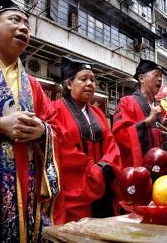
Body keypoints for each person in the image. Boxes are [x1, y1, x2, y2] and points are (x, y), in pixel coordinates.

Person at [0, 0, 60, 242]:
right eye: (15, 19)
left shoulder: (33, 85)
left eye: (27, 24)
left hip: (26, 201)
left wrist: (43, 131)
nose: (24, 28)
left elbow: (56, 127)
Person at [51, 56, 122, 222]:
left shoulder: (97, 113)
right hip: (76, 191)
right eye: (83, 79)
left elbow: (111, 145)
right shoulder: (55, 110)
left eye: (92, 79)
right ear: (69, 84)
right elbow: (64, 149)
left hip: (105, 186)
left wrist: (106, 167)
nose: (90, 83)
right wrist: (95, 172)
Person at [112, 59, 167, 168]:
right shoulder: (126, 102)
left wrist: (165, 128)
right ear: (141, 78)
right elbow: (119, 136)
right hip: (137, 169)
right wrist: (147, 122)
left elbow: (163, 139)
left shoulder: (160, 107)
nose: (160, 79)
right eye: (156, 75)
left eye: (161, 76)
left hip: (160, 168)